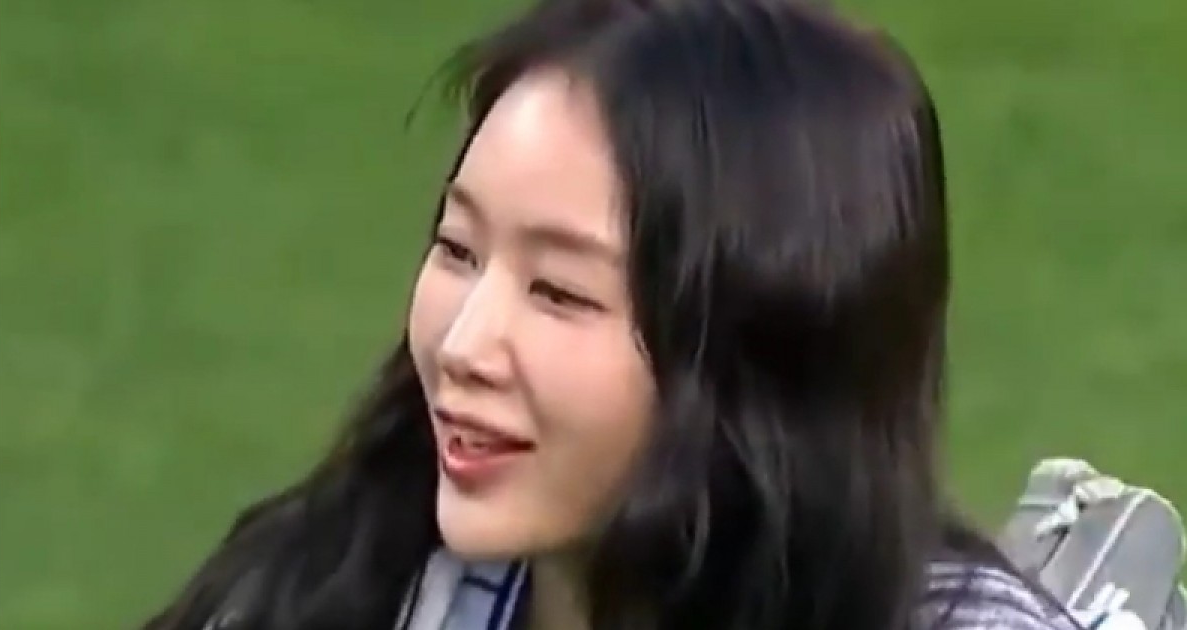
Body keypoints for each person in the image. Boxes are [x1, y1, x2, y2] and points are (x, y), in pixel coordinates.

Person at [142, 0, 1085, 628]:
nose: (463, 346)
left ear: (759, 352)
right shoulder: (351, 588)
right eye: (458, 249)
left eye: (559, 292)